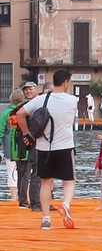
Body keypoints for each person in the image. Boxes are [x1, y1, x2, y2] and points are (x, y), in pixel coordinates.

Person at [22, 69, 79, 229]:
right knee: (69, 181)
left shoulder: (40, 100)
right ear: (66, 82)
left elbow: (20, 114)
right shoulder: (72, 100)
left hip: (43, 147)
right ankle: (66, 204)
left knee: (46, 182)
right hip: (65, 146)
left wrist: (27, 134)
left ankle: (46, 219)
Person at [4, 85, 35, 210]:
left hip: (12, 148)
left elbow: (1, 131)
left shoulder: (7, 113)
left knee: (18, 172)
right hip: (26, 145)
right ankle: (24, 198)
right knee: (27, 173)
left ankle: (17, 198)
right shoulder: (26, 110)